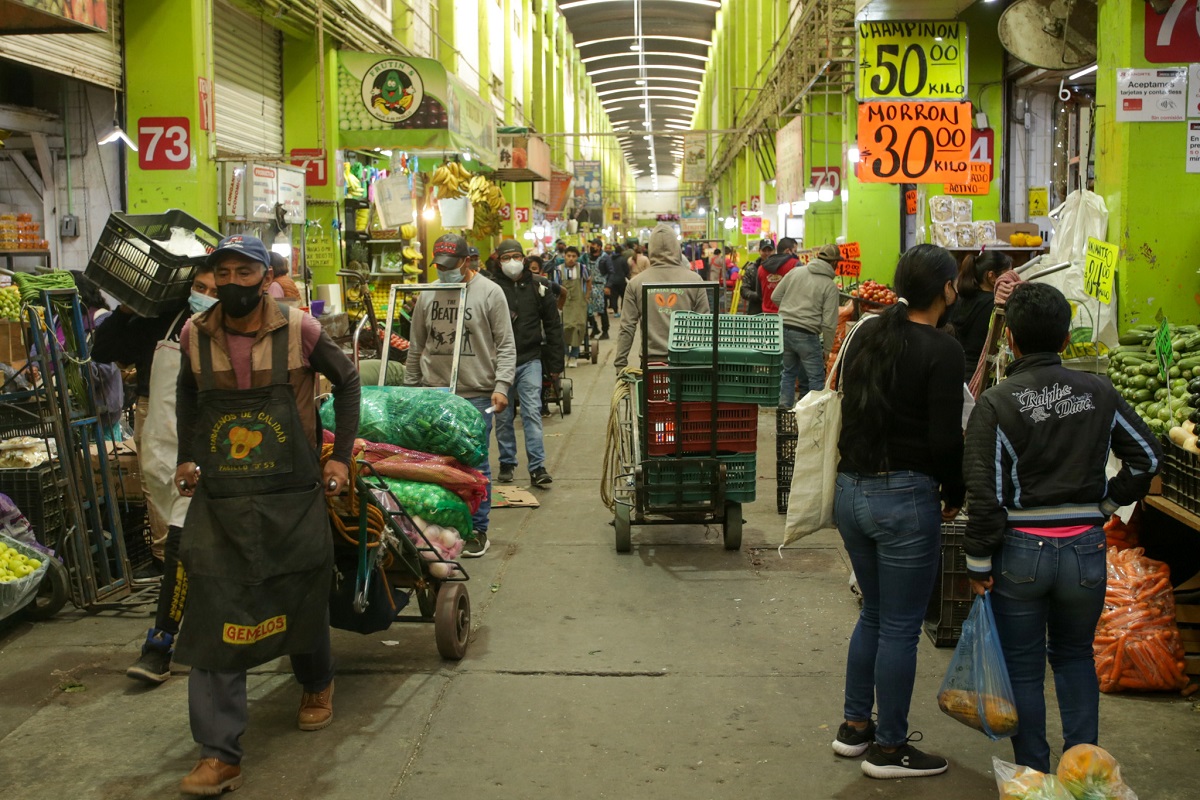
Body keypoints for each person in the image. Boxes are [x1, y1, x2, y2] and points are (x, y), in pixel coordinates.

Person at [172, 234, 361, 795]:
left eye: (244, 272)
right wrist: (186, 454)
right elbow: (187, 395)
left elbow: (348, 381)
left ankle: (316, 679)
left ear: (265, 277)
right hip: (223, 495)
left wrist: (340, 457)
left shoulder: (300, 329)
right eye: (223, 272)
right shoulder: (193, 335)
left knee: (300, 586)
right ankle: (219, 753)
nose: (232, 282)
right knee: (214, 603)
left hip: (291, 490)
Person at [963, 283, 1161, 774]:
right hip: (1085, 552)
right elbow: (1148, 457)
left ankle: (1034, 776)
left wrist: (978, 561)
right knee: (1075, 657)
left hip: (1020, 553)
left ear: (1010, 338)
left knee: (1024, 667)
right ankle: (1084, 774)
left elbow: (985, 493)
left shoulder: (997, 403)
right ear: (1067, 337)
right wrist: (1107, 502)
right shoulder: (1100, 392)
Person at [829, 244, 964, 780]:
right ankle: (889, 749)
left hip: (851, 492)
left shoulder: (868, 333)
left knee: (875, 614)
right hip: (904, 500)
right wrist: (955, 493)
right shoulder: (942, 349)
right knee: (902, 627)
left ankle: (854, 728)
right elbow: (945, 439)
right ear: (946, 289)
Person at [115, 266, 219, 684]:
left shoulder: (234, 333)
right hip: (161, 455)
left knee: (180, 547)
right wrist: (126, 310)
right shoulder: (167, 321)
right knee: (191, 553)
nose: (204, 295)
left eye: (214, 289)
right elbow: (105, 348)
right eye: (199, 286)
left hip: (203, 459)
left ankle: (160, 644)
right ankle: (199, 634)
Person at [404, 233, 516, 557]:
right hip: (434, 391)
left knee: (474, 462)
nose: (444, 271)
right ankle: (444, 525)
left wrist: (502, 386)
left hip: (476, 392)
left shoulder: (490, 293)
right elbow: (417, 345)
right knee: (434, 463)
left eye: (449, 266)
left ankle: (478, 529)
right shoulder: (429, 294)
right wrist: (410, 389)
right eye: (439, 266)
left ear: (467, 261)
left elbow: (506, 344)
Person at [491, 239, 563, 488]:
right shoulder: (491, 289)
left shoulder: (539, 287)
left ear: (523, 258)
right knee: (503, 415)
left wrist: (556, 364)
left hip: (530, 359)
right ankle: (507, 462)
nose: (512, 262)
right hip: (500, 363)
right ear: (498, 261)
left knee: (532, 411)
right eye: (506, 257)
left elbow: (553, 325)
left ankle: (537, 467)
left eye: (516, 256)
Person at [614, 223, 711, 371]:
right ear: (677, 248)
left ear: (651, 248)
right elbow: (704, 325)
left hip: (651, 362)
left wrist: (620, 364)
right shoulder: (694, 280)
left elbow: (627, 327)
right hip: (687, 361)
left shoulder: (636, 283)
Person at [772, 242, 841, 408]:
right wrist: (827, 350)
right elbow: (829, 324)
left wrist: (790, 309)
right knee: (815, 378)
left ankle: (784, 412)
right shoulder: (830, 286)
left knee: (787, 373)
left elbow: (775, 296)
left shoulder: (796, 272)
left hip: (784, 329)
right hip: (807, 334)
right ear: (834, 263)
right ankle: (813, 416)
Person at [951, 250, 1014, 381]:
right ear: (992, 276)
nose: (1011, 282)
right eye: (1007, 275)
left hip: (958, 373)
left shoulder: (961, 300)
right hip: (981, 378)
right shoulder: (995, 306)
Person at [560, 246, 590, 368]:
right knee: (565, 328)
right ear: (564, 256)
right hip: (564, 303)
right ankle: (565, 354)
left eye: (574, 256)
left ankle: (574, 355)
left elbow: (588, 281)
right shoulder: (558, 270)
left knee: (578, 328)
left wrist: (587, 296)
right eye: (569, 256)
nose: (571, 258)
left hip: (579, 303)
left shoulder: (582, 268)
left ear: (577, 257)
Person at [759, 237, 799, 314]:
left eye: (769, 250)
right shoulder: (795, 264)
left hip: (767, 314)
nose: (767, 253)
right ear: (788, 251)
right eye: (795, 251)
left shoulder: (760, 268)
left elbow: (760, 293)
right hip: (788, 313)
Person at [585, 239, 611, 340]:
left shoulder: (605, 258)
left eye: (594, 244)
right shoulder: (587, 257)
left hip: (601, 287)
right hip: (589, 286)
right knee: (588, 309)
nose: (591, 246)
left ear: (599, 247)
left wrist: (608, 286)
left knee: (602, 310)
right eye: (591, 244)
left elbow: (611, 272)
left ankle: (605, 331)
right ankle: (594, 327)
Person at [742, 239, 771, 315]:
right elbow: (744, 290)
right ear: (759, 251)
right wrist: (759, 296)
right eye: (764, 250)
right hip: (755, 311)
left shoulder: (779, 269)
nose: (767, 253)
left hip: (775, 312)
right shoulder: (751, 269)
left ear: (774, 251)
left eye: (769, 250)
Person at [607, 247, 630, 318]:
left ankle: (616, 312)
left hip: (612, 281)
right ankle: (623, 311)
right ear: (621, 251)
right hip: (621, 281)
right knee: (623, 296)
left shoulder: (610, 259)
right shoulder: (623, 259)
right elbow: (626, 270)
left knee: (614, 297)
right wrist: (626, 276)